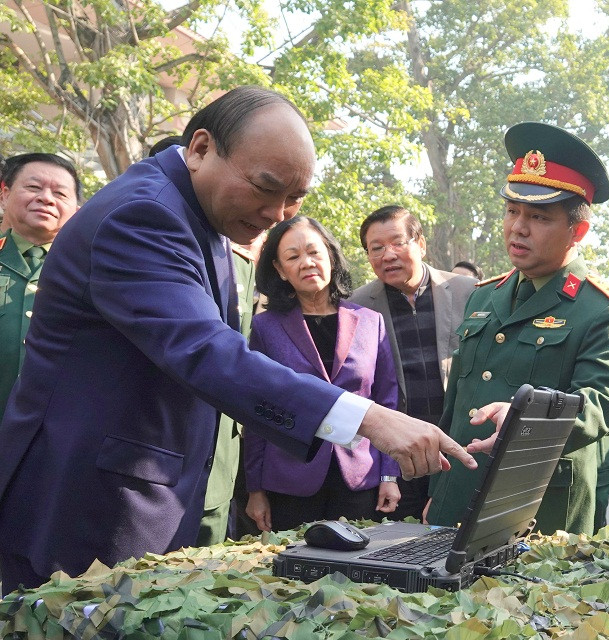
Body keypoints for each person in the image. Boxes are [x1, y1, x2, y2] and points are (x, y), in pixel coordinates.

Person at [0, 86, 473, 593]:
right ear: (201, 148)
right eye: (266, 188)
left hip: (144, 495)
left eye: (295, 198)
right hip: (83, 504)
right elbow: (206, 350)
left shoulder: (200, 216)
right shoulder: (142, 216)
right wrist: (368, 419)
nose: (279, 214)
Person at [426, 122, 609, 536]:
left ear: (577, 231)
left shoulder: (605, 311)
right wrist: (439, 489)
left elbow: (599, 406)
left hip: (540, 514)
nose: (517, 228)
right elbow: (456, 405)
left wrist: (525, 421)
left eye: (538, 217)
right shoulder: (483, 297)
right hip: (458, 496)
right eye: (512, 211)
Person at [243, 216, 402, 532]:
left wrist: (389, 474)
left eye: (314, 252)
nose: (306, 263)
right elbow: (257, 412)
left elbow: (387, 402)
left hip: (359, 478)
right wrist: (255, 489)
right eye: (293, 257)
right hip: (289, 481)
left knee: (358, 561)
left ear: (330, 255)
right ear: (280, 270)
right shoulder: (265, 328)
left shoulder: (370, 322)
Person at [146, 134, 260, 546]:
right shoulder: (146, 221)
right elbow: (205, 349)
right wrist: (355, 417)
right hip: (151, 462)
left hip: (215, 455)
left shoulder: (233, 257)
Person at [350, 206, 476, 519]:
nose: (388, 255)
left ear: (420, 244)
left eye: (397, 243)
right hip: (399, 452)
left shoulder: (469, 292)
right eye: (376, 248)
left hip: (459, 445)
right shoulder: (357, 306)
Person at [0, 153, 82, 414]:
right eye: (34, 187)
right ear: (4, 196)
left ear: (77, 211)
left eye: (60, 193)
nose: (46, 198)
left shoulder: (88, 269)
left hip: (54, 425)